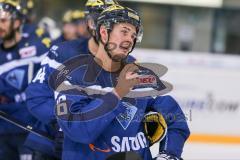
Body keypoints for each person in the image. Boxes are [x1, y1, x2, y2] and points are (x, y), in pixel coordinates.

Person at [53, 4, 190, 160]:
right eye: (124, 32)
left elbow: (176, 119)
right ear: (104, 33)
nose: (129, 40)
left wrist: (169, 154)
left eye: (133, 35)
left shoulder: (142, 76)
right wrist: (117, 94)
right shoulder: (72, 77)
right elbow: (79, 131)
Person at [24, 0, 119, 159]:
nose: (107, 30)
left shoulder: (126, 62)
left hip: (99, 148)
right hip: (50, 143)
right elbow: (36, 97)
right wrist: (68, 121)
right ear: (90, 23)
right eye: (101, 22)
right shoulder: (62, 53)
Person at [0, 0, 50, 159]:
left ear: (17, 22)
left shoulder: (37, 48)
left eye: (3, 21)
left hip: (30, 130)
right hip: (3, 130)